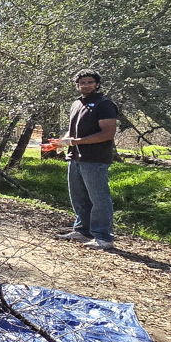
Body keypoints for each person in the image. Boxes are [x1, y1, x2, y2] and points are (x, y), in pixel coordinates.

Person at [56, 69, 118, 250]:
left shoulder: (104, 104)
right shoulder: (77, 103)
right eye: (82, 83)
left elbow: (107, 133)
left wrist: (76, 141)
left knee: (99, 198)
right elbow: (73, 131)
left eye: (90, 82)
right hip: (75, 157)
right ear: (77, 86)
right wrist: (62, 142)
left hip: (95, 158)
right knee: (78, 196)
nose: (86, 85)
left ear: (97, 84)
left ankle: (104, 237)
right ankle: (83, 231)